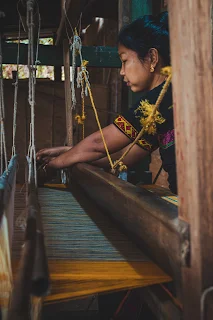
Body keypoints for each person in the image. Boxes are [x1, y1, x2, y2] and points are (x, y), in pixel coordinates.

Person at [36, 11, 177, 194]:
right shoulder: (163, 105)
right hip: (188, 205)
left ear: (152, 58)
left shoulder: (161, 100)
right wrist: (66, 152)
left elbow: (98, 144)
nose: (121, 71)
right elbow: (120, 155)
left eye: (125, 60)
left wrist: (51, 167)